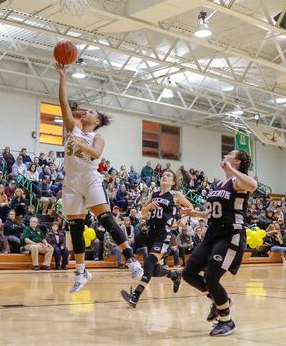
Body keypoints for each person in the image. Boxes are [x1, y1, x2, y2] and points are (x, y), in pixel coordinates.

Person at [55, 62, 142, 293]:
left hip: (90, 178)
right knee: (75, 226)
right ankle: (81, 272)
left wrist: (78, 143)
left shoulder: (96, 136)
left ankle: (132, 260)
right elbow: (63, 102)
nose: (86, 112)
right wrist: (63, 77)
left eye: (91, 112)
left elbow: (96, 154)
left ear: (96, 121)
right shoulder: (72, 128)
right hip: (71, 180)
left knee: (105, 219)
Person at [181, 150, 256, 337]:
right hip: (212, 234)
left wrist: (232, 170)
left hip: (230, 234)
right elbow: (215, 211)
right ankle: (220, 300)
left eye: (230, 155)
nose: (225, 155)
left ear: (237, 161)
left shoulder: (238, 181)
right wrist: (197, 214)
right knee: (188, 273)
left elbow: (253, 185)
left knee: (211, 276)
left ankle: (226, 320)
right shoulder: (219, 183)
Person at [120, 170, 188, 307]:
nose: (165, 176)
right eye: (163, 175)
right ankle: (174, 275)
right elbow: (143, 213)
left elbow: (190, 207)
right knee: (155, 270)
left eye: (168, 175)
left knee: (149, 263)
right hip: (152, 233)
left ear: (173, 182)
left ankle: (135, 297)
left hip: (165, 234)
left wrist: (185, 218)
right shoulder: (155, 194)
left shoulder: (176, 195)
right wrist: (148, 206)